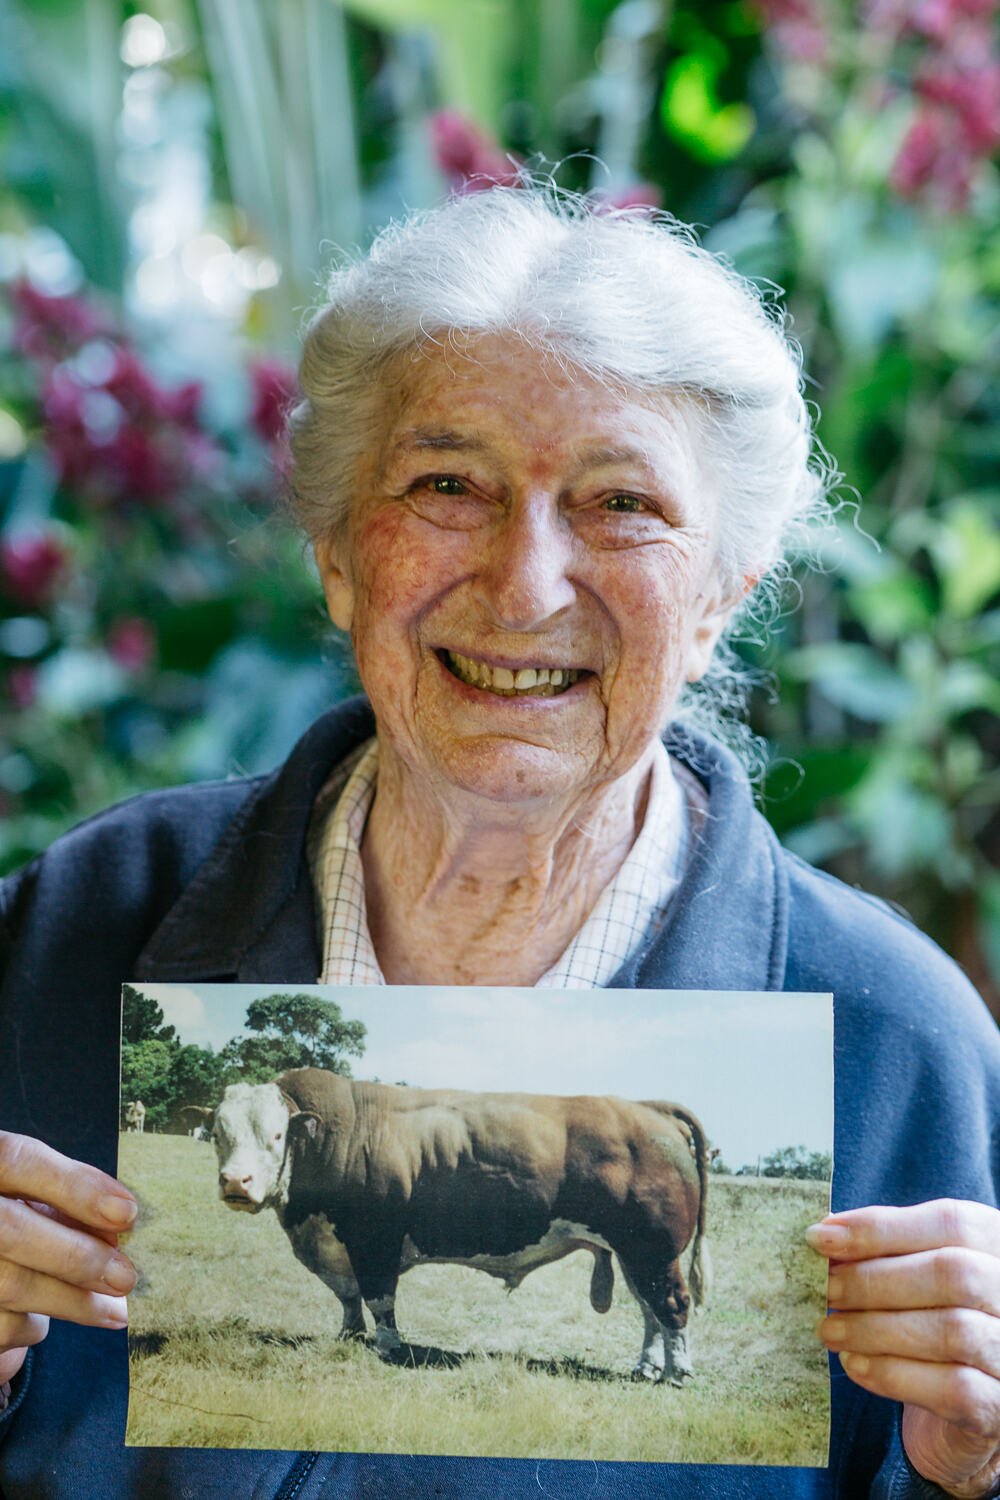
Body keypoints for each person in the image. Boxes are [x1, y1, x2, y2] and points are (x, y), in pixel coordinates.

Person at [1, 186, 998, 1500]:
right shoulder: (67, 930)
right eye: (448, 485)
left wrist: (972, 1472)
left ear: (719, 599)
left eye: (620, 502)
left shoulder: (893, 1043)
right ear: (339, 557)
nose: (525, 587)